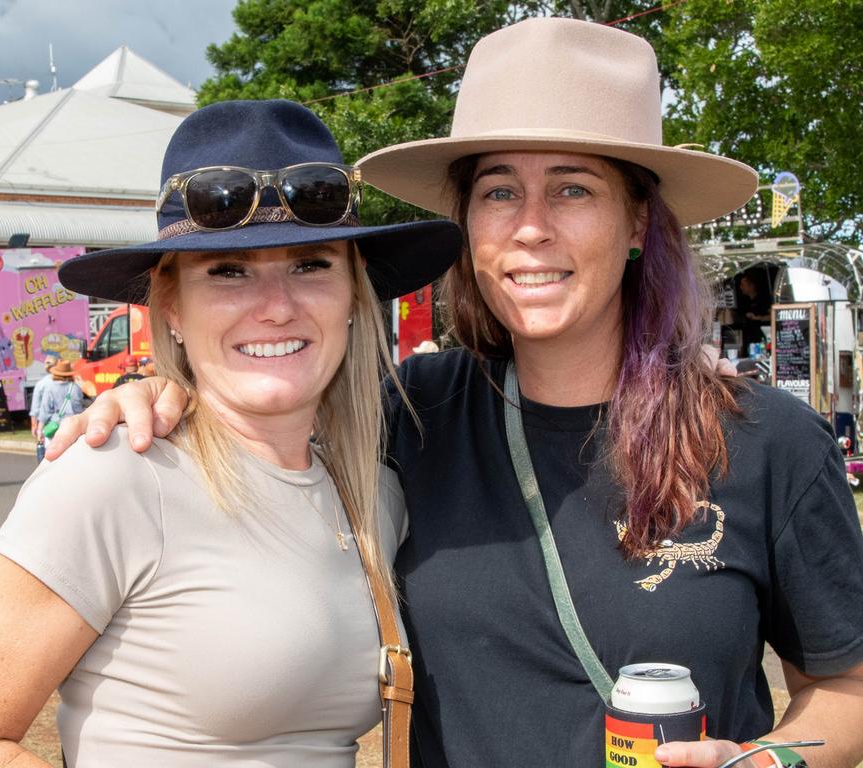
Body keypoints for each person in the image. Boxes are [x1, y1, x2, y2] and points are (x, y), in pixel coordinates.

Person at [52, 19, 863, 768]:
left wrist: (769, 763)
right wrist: (164, 389)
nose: (530, 227)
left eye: (574, 189)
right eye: (499, 191)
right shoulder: (412, 414)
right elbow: (264, 386)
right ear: (470, 222)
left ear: (640, 222)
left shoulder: (767, 442)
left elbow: (848, 692)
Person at [0, 99, 460, 766]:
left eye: (311, 264)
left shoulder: (373, 495)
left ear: (354, 295)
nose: (276, 307)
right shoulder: (116, 475)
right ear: (171, 306)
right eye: (228, 273)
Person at [34, 359, 84, 456]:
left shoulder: (50, 388)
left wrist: (40, 430)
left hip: (54, 429)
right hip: (72, 428)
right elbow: (79, 409)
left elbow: (45, 411)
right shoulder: (75, 388)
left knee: (52, 459)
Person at [28, 355, 56, 461]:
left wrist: (34, 426)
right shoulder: (70, 383)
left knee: (47, 458)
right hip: (65, 424)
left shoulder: (41, 384)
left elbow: (35, 409)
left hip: (48, 427)